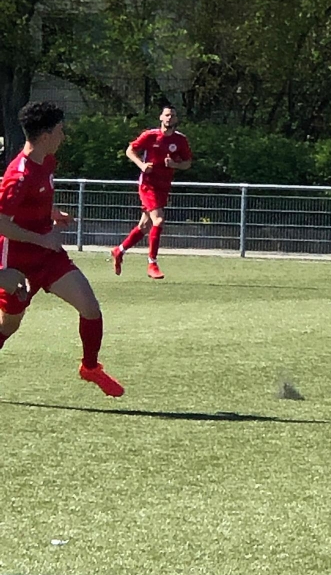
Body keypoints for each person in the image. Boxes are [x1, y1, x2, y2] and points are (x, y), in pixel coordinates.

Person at [0, 101, 124, 397]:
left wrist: (52, 213)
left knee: (90, 308)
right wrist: (41, 238)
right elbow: (2, 223)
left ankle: (90, 367)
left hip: (48, 256)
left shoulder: (47, 161)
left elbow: (34, 201)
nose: (63, 136)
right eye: (60, 131)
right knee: (9, 326)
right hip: (17, 261)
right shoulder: (19, 175)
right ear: (45, 136)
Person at [111, 105, 192, 280]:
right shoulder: (150, 135)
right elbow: (130, 150)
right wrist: (141, 165)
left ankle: (119, 250)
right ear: (161, 117)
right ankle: (152, 263)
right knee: (159, 220)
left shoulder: (180, 140)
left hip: (164, 186)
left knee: (144, 226)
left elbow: (187, 163)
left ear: (176, 119)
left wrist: (175, 165)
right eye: (167, 115)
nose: (169, 118)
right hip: (148, 184)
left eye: (173, 115)